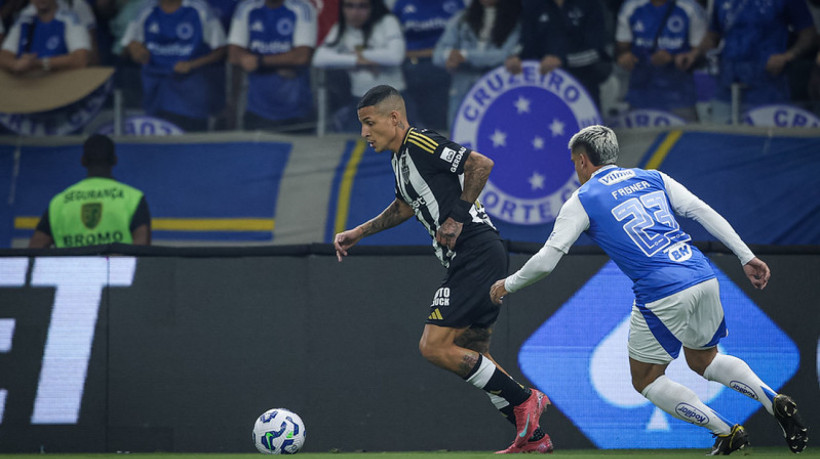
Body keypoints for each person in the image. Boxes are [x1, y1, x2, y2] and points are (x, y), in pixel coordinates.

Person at [489, 125, 808, 455]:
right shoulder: (654, 178)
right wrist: (746, 255)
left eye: (573, 163)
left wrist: (507, 284)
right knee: (705, 360)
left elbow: (545, 261)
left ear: (583, 161)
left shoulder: (582, 199)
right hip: (701, 273)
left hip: (661, 290)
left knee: (646, 379)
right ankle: (773, 400)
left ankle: (726, 431)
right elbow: (702, 211)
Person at [333, 85, 552, 455]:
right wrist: (359, 231)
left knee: (433, 347)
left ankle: (525, 398)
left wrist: (456, 216)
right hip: (472, 256)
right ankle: (532, 438)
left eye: (369, 124)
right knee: (470, 349)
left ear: (394, 118)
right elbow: (405, 207)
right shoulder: (400, 161)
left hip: (476, 251)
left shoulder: (419, 141)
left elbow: (480, 164)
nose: (364, 133)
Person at [677, 0, 816, 122]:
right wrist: (694, 54)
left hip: (768, 85)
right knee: (721, 140)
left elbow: (809, 34)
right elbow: (713, 35)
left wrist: (788, 56)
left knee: (764, 143)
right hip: (727, 84)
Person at [29, 134, 151, 248]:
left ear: (83, 161)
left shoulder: (60, 201)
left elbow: (34, 249)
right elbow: (142, 246)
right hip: (117, 271)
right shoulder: (133, 198)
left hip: (70, 271)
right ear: (114, 160)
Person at [121, 0, 227, 131]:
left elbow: (221, 49)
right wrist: (135, 49)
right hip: (155, 88)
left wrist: (192, 64)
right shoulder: (145, 9)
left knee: (191, 140)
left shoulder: (199, 9)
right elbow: (128, 44)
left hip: (190, 90)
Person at [311, 0, 406, 133]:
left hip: (392, 99)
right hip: (360, 100)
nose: (355, 12)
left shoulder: (387, 22)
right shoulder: (340, 28)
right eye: (349, 6)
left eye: (362, 6)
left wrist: (362, 54)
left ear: (372, 7)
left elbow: (396, 56)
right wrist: (356, 60)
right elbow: (319, 58)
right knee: (353, 145)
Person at [227, 0, 317, 132]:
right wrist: (283, 62)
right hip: (256, 111)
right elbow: (233, 55)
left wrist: (259, 61)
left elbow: (302, 56)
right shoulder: (246, 7)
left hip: (297, 112)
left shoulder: (303, 8)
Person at [504, 0, 612, 109]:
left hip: (582, 82)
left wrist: (562, 60)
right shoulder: (534, 4)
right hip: (543, 82)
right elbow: (524, 42)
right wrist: (515, 56)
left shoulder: (590, 4)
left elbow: (597, 51)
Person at [615, 0, 708, 122]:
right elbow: (621, 48)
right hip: (640, 95)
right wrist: (625, 58)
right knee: (641, 140)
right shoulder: (631, 7)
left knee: (686, 139)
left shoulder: (690, 8)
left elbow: (701, 51)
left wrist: (674, 58)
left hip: (680, 97)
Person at [432, 0, 520, 128]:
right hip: (463, 88)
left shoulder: (515, 21)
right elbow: (437, 54)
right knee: (458, 134)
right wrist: (449, 56)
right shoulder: (462, 19)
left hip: (497, 89)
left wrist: (465, 56)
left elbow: (503, 55)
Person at [387, 0, 465, 131]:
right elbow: (393, 42)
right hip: (409, 68)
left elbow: (462, 39)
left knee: (439, 121)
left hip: (443, 69)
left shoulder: (455, 3)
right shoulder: (401, 4)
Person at [0, 0, 90, 75]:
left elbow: (81, 60)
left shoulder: (69, 19)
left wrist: (40, 63)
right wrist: (15, 64)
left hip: (60, 86)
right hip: (27, 86)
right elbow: (4, 55)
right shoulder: (24, 21)